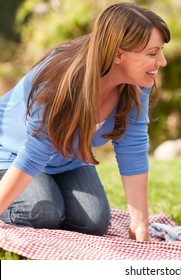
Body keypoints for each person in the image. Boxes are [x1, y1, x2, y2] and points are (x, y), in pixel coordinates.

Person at [0, 2, 170, 241]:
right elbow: (34, 154)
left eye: (160, 51)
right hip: (11, 152)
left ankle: (50, 195)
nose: (161, 61)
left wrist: (140, 225)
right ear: (118, 53)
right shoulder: (60, 79)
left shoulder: (137, 83)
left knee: (92, 221)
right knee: (41, 214)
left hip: (68, 159)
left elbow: (133, 148)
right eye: (152, 53)